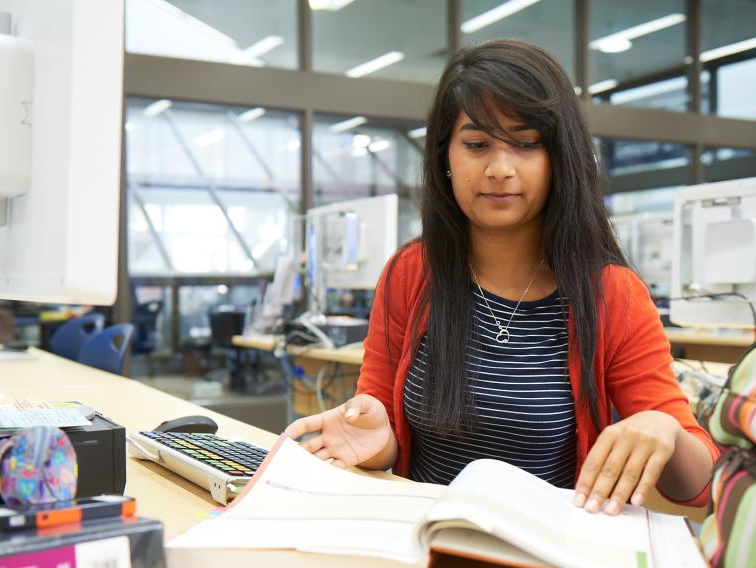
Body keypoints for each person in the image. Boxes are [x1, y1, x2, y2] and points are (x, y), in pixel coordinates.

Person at [285, 40, 717, 516]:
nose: (500, 169)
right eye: (476, 145)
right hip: (423, 541)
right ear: (445, 157)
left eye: (527, 144)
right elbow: (383, 435)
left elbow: (698, 486)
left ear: (560, 159)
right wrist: (377, 442)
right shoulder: (411, 273)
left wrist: (665, 430)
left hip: (541, 558)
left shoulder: (612, 294)